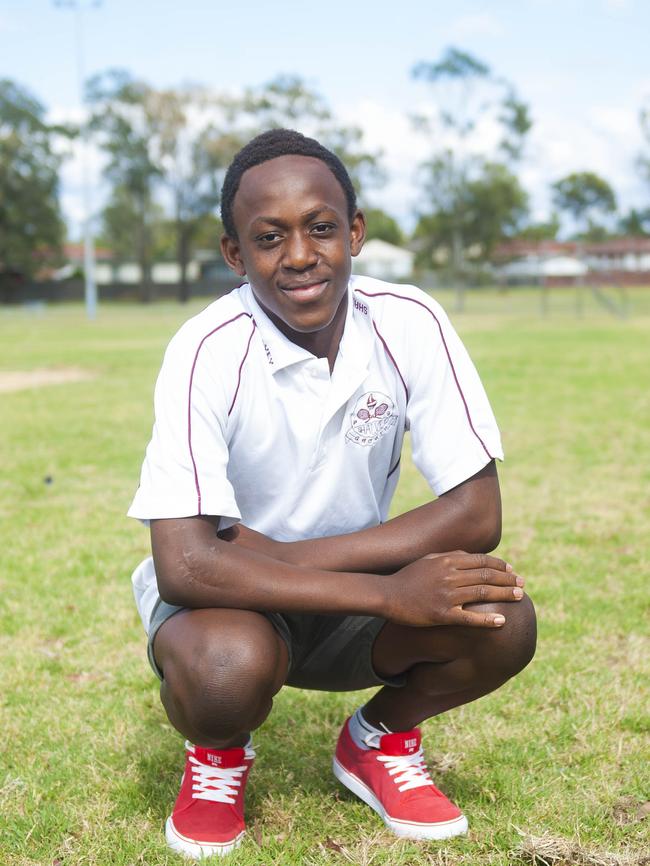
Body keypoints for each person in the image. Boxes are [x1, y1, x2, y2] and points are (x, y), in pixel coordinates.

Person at [128, 128, 536, 860]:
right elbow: (186, 565)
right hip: (229, 600)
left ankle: (374, 741)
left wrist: (286, 558)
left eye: (320, 228)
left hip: (283, 570)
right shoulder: (206, 347)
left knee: (503, 620)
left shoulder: (409, 321)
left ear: (354, 232)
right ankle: (218, 758)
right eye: (268, 237)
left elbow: (477, 513)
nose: (300, 256)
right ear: (234, 254)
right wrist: (386, 594)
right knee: (226, 674)